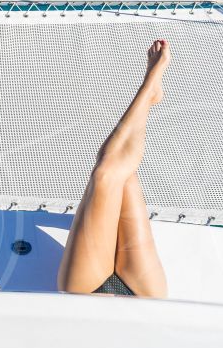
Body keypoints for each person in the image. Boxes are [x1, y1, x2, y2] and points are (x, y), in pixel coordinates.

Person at [57, 39, 170, 298]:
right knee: (121, 174)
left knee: (107, 174)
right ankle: (149, 90)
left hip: (85, 294)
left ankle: (149, 89)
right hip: (145, 298)